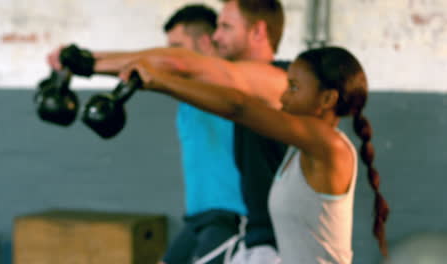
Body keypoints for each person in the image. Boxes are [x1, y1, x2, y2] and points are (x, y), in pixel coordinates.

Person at [48, 1, 289, 263]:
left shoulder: (278, 82)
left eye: (226, 27)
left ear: (258, 31)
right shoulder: (217, 88)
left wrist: (86, 62)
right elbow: (174, 64)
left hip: (247, 227)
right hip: (225, 226)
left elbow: (177, 63)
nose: (217, 36)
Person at [118, 46, 390, 264]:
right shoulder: (297, 151)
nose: (283, 97)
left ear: (327, 99)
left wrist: (161, 81)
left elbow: (239, 106)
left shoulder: (329, 147)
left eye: (294, 87)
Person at [160, 5, 246, 264]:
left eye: (177, 46)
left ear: (207, 43)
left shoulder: (231, 85)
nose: (169, 56)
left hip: (229, 217)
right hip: (197, 218)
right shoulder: (187, 93)